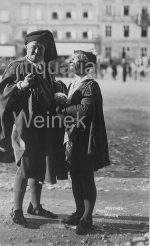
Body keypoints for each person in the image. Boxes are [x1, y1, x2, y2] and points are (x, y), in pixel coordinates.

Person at [0, 30, 67, 227]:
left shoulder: (46, 70)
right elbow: (2, 94)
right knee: (25, 166)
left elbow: (51, 90)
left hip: (44, 125)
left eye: (41, 48)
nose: (37, 51)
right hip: (23, 125)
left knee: (38, 164)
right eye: (33, 48)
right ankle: (16, 209)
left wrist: (59, 90)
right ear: (26, 48)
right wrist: (21, 86)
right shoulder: (16, 67)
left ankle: (35, 206)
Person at [56, 49, 110, 235]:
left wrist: (63, 110)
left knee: (85, 176)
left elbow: (85, 109)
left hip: (86, 138)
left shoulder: (90, 85)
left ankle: (87, 217)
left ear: (86, 65)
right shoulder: (74, 84)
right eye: (71, 61)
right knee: (75, 175)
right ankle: (79, 211)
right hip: (72, 136)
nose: (70, 63)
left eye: (75, 61)